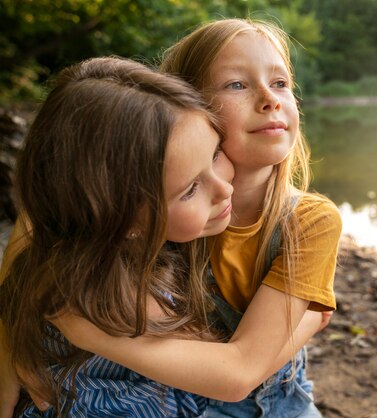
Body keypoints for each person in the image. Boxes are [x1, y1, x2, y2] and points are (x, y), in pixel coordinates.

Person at [0, 56, 332, 417]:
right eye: (190, 189)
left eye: (216, 153)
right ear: (121, 216)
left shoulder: (139, 199)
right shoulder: (114, 299)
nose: (225, 189)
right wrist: (305, 322)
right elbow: (233, 370)